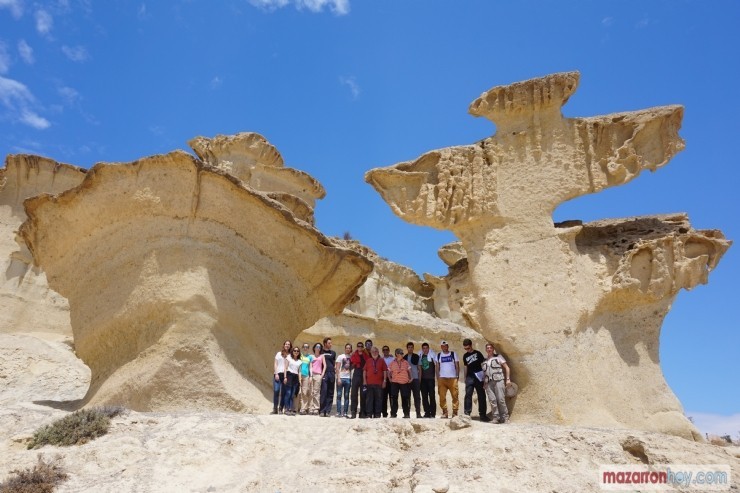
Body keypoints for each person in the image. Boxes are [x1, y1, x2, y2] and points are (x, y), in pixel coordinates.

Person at [482, 342, 511, 424]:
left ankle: (505, 418)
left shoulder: (498, 357)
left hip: (499, 380)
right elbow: (485, 373)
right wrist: (484, 382)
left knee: (501, 399)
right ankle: (496, 418)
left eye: (490, 348)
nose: (489, 349)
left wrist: (508, 379)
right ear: (486, 350)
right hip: (488, 383)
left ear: (493, 349)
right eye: (487, 348)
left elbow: (507, 368)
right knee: (492, 400)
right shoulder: (484, 360)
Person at [462, 338, 489, 421]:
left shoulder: (478, 353)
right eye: (465, 348)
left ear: (471, 346)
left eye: (468, 348)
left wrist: (485, 376)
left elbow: (483, 365)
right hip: (470, 377)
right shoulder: (465, 356)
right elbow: (466, 367)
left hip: (479, 376)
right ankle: (467, 414)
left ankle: (483, 415)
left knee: (481, 395)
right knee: (468, 395)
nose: (467, 350)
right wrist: (465, 378)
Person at [436, 340, 459, 419]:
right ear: (441, 347)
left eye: (446, 346)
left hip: (452, 378)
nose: (444, 347)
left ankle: (455, 412)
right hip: (442, 378)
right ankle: (445, 412)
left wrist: (457, 376)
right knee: (442, 396)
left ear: (448, 346)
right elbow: (437, 367)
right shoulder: (439, 355)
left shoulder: (453, 354)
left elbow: (457, 365)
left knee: (455, 395)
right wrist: (438, 377)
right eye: (443, 346)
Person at [363, 346, 387, 418]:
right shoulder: (368, 360)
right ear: (371, 353)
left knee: (378, 399)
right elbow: (364, 371)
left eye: (376, 351)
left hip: (379, 384)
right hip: (369, 383)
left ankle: (377, 414)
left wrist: (384, 381)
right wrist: (364, 380)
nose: (374, 352)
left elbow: (385, 371)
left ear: (378, 352)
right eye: (373, 351)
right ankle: (369, 414)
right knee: (369, 399)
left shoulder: (382, 360)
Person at [388, 348, 412, 418]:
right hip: (394, 382)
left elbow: (409, 371)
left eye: (402, 353)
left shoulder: (405, 362)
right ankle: (393, 414)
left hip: (404, 382)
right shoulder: (392, 363)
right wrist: (389, 378)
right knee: (394, 398)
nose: (402, 354)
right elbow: (388, 371)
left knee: (405, 398)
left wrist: (411, 378)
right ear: (396, 354)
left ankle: (406, 414)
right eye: (401, 353)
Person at [348, 341, 369, 419]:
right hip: (356, 374)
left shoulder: (366, 355)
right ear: (357, 347)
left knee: (363, 394)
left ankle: (362, 412)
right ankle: (353, 412)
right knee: (354, 394)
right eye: (358, 346)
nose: (360, 347)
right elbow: (351, 365)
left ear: (363, 347)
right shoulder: (353, 355)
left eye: (361, 346)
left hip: (364, 375)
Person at [272, 340, 292, 414]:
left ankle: (281, 408)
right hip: (278, 374)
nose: (287, 345)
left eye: (288, 344)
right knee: (276, 390)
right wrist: (276, 373)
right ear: (284, 345)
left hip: (285, 375)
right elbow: (275, 364)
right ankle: (275, 408)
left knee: (283, 392)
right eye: (286, 344)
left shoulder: (290, 355)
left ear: (290, 346)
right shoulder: (279, 354)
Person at [319, 337, 337, 417]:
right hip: (324, 373)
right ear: (325, 344)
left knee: (330, 392)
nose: (330, 344)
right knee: (324, 391)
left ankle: (328, 411)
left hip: (331, 373)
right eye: (329, 343)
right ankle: (322, 410)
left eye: (331, 343)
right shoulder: (320, 352)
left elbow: (333, 363)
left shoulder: (333, 353)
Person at [404, 342, 422, 418]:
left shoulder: (417, 356)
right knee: (407, 397)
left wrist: (419, 379)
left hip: (415, 379)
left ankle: (418, 413)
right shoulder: (404, 357)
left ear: (413, 348)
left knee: (417, 397)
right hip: (407, 380)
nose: (410, 348)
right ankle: (407, 414)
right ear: (407, 348)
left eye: (411, 347)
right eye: (409, 347)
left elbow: (419, 369)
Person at [419, 342, 437, 418]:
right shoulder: (420, 355)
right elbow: (419, 367)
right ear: (422, 349)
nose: (425, 349)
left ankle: (433, 413)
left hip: (431, 379)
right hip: (423, 380)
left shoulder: (432, 356)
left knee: (432, 396)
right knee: (424, 396)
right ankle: (427, 413)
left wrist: (435, 377)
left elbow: (436, 366)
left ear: (428, 348)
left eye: (426, 348)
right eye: (424, 348)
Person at [283, 346, 302, 415]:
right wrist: (285, 377)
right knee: (288, 393)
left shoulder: (300, 361)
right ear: (292, 351)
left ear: (299, 353)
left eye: (297, 351)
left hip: (295, 377)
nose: (296, 352)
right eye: (294, 351)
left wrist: (300, 380)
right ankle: (286, 409)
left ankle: (290, 409)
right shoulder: (289, 358)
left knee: (292, 394)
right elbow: (285, 368)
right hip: (289, 375)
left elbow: (299, 371)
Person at [335, 343, 352, 417]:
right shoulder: (340, 356)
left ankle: (345, 412)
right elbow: (337, 368)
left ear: (351, 349)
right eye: (347, 348)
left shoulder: (352, 357)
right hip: (341, 378)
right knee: (339, 395)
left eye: (349, 348)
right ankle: (338, 412)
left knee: (346, 396)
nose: (348, 349)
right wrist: (338, 378)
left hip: (348, 378)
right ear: (345, 348)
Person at [309, 343, 325, 415]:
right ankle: (310, 408)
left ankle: (316, 408)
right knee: (311, 392)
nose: (318, 348)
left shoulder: (322, 356)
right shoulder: (311, 356)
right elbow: (310, 366)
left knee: (316, 392)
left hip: (318, 375)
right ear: (314, 348)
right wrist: (311, 375)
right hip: (312, 375)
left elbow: (325, 366)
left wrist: (322, 375)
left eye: (319, 347)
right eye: (317, 346)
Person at [298, 343, 314, 415]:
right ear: (302, 347)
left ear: (308, 348)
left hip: (306, 375)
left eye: (307, 347)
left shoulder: (310, 357)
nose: (305, 348)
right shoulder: (300, 355)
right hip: (299, 374)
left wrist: (311, 376)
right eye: (304, 347)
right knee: (299, 392)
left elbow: (310, 367)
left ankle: (303, 408)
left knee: (305, 392)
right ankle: (300, 408)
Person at [381, 345, 394, 417]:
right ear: (382, 351)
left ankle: (393, 413)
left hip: (391, 379)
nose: (385, 351)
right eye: (384, 350)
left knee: (392, 397)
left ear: (389, 350)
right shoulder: (381, 359)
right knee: (384, 397)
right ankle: (384, 413)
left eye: (387, 350)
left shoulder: (392, 359)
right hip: (383, 380)